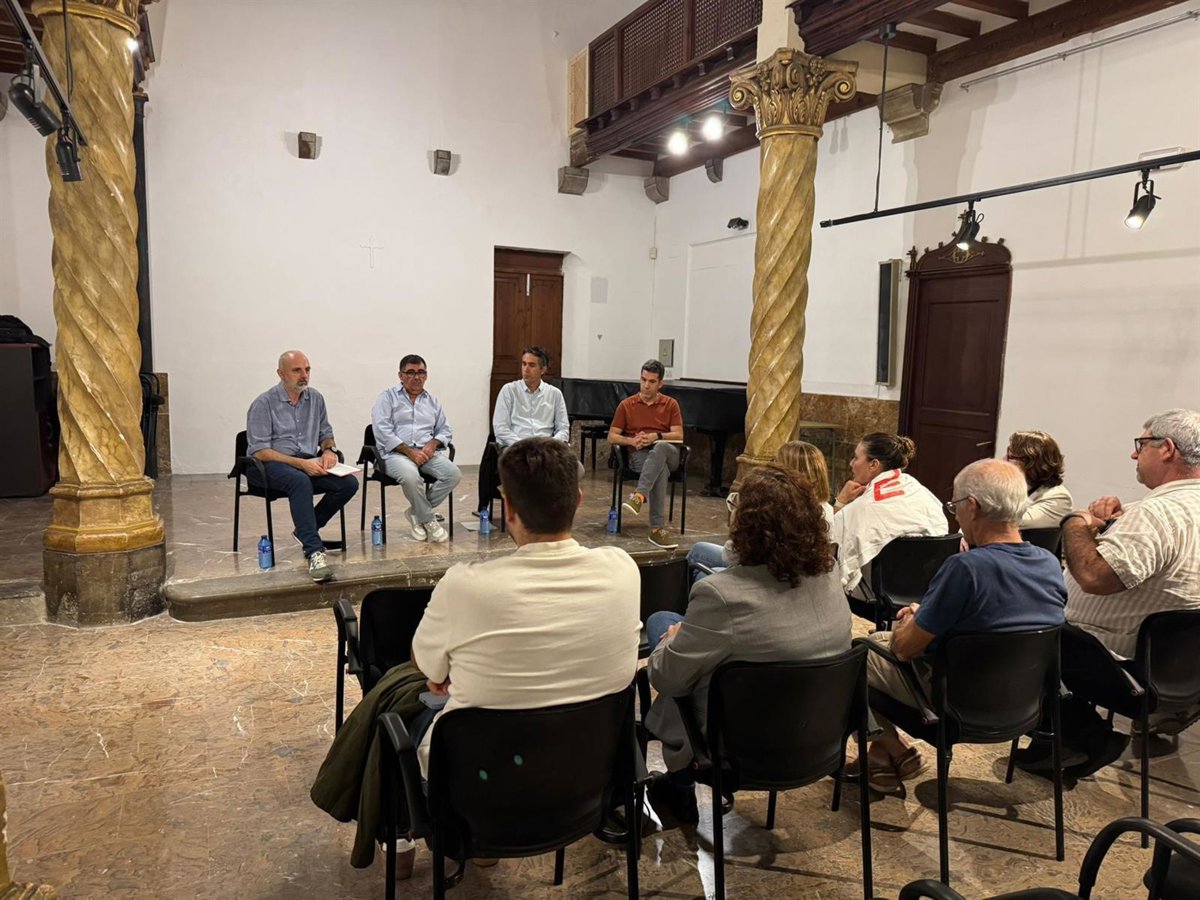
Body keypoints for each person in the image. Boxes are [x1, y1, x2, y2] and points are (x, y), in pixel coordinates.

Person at [412, 436, 641, 778]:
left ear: (508, 510)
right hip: (589, 775)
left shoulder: (463, 586)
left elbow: (427, 667)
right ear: (578, 501)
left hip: (478, 785)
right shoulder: (624, 570)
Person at [643, 465, 850, 828]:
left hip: (737, 747)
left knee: (663, 622)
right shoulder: (830, 573)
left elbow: (667, 678)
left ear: (746, 524)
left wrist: (676, 637)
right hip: (817, 738)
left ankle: (680, 789)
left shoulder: (720, 595)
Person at [858, 459, 1066, 794]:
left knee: (856, 656)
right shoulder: (1049, 564)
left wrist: (914, 619)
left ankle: (891, 747)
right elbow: (996, 621)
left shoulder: (966, 569)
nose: (955, 515)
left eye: (955, 506)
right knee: (879, 637)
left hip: (955, 704)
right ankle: (882, 754)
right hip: (1023, 704)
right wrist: (929, 613)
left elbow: (905, 648)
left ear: (972, 506)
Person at [1017, 409, 1200, 781]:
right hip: (1183, 670)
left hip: (1123, 667)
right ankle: (1062, 741)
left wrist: (1076, 523)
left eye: (1141, 444)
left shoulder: (1159, 514)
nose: (1134, 454)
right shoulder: (1163, 511)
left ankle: (1085, 737)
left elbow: (1093, 577)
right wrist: (1112, 525)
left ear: (1167, 448)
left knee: (1017, 627)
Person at [245, 350, 358, 583]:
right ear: (281, 373)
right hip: (269, 465)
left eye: (307, 369)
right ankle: (314, 552)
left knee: (348, 483)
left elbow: (326, 434)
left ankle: (306, 530)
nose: (304, 375)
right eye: (297, 370)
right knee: (299, 480)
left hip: (306, 462)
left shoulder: (315, 399)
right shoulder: (264, 403)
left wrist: (329, 450)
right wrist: (302, 464)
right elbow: (260, 451)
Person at [687, 440, 834, 576]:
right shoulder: (826, 509)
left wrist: (737, 524)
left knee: (702, 575)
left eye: (776, 462)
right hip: (784, 573)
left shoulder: (781, 509)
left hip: (767, 577)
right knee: (699, 549)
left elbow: (732, 556)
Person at [828, 432, 947, 598]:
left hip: (878, 592)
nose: (851, 463)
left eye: (856, 458)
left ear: (874, 464)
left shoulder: (864, 506)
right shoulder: (920, 492)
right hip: (928, 589)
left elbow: (829, 538)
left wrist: (841, 501)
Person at [370, 355, 461, 543]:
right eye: (410, 373)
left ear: (426, 375)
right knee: (411, 476)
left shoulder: (433, 401)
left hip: (425, 453)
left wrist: (433, 443)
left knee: (453, 474)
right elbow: (381, 431)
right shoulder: (387, 398)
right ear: (400, 376)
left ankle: (416, 512)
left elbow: (445, 430)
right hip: (394, 455)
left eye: (421, 373)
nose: (416, 377)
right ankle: (428, 519)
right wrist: (410, 452)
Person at [477, 346, 575, 516]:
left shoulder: (555, 394)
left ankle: (552, 514)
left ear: (543, 369)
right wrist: (524, 445)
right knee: (528, 468)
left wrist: (550, 444)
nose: (526, 369)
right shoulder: (509, 390)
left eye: (531, 365)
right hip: (517, 447)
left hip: (546, 448)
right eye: (523, 364)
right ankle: (528, 513)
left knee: (575, 469)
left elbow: (563, 429)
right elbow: (500, 428)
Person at [609, 359, 685, 549]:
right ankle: (656, 529)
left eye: (651, 381)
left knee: (660, 448)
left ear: (660, 383)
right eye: (643, 380)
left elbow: (679, 435)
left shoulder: (671, 404)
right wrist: (631, 441)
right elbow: (612, 436)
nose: (646, 385)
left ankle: (639, 495)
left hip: (669, 452)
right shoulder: (627, 405)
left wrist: (656, 437)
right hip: (640, 455)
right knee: (660, 470)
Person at [1005, 430, 1073, 528]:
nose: (1003, 460)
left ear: (1030, 463)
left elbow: (1013, 523)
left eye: (1010, 457)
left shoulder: (1058, 497)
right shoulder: (1016, 487)